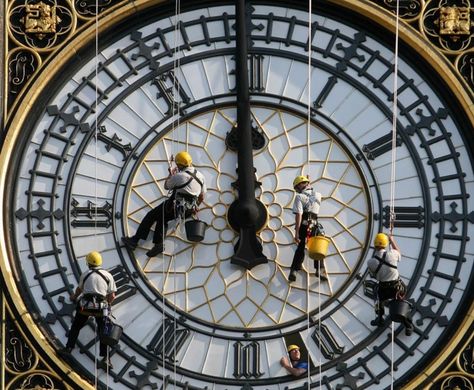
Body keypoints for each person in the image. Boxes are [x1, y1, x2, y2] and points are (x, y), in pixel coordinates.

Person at [122, 151, 206, 257]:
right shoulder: (200, 176)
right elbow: (202, 196)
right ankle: (158, 244)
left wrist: (171, 175)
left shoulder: (180, 176)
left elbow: (167, 186)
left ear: (179, 165)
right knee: (162, 219)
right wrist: (195, 206)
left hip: (174, 206)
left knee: (151, 215)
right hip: (188, 210)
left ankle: (135, 241)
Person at [61, 251, 117, 368]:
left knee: (76, 326)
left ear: (88, 263)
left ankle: (68, 348)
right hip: (101, 309)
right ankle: (106, 359)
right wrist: (108, 305)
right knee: (104, 332)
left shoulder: (85, 274)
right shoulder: (108, 276)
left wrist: (74, 297)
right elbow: (112, 296)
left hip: (85, 307)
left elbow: (79, 290)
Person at [367, 233, 414, 336]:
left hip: (383, 289)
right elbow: (398, 252)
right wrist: (392, 240)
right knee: (401, 304)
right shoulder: (392, 254)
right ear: (386, 244)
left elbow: (373, 275)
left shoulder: (370, 262)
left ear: (375, 245)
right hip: (397, 287)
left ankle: (379, 319)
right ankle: (408, 326)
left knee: (378, 299)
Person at [288, 175, 324, 282]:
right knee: (317, 247)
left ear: (299, 185)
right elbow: (311, 193)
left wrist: (297, 232)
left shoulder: (299, 197)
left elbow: (299, 214)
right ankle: (320, 270)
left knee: (301, 247)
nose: (296, 191)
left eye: (296, 188)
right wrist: (308, 182)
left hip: (304, 224)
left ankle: (294, 271)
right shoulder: (318, 195)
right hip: (315, 225)